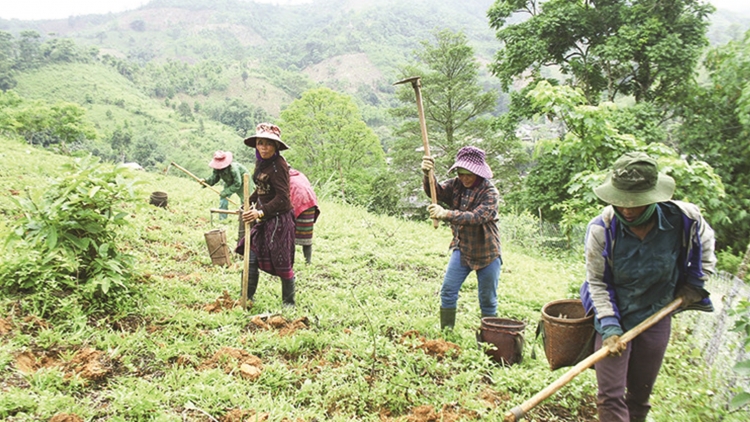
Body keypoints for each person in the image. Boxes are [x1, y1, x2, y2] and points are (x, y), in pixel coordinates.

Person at [579, 151, 716, 422]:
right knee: (610, 393)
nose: (628, 209)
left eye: (637, 203)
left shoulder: (685, 220)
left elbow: (706, 252)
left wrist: (695, 285)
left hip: (658, 311)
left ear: (654, 197)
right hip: (613, 311)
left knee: (640, 394)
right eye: (621, 202)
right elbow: (597, 282)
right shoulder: (601, 229)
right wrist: (609, 326)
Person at [421, 146, 503, 330]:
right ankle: (447, 334)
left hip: (488, 253)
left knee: (488, 300)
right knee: (448, 291)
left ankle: (488, 339)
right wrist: (428, 175)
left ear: (478, 173)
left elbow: (477, 217)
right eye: (460, 173)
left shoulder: (490, 193)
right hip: (463, 249)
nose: (464, 178)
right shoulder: (456, 184)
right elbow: (437, 192)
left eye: (469, 174)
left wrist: (446, 214)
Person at [235, 123, 296, 307]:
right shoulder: (261, 162)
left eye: (269, 144)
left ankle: (289, 304)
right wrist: (248, 203)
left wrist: (259, 212)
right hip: (262, 218)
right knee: (251, 256)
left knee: (282, 261)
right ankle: (246, 297)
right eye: (260, 143)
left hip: (279, 221)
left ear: (276, 146)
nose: (264, 147)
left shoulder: (279, 166)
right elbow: (261, 189)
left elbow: (283, 199)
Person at [201, 150, 251, 220]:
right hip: (229, 182)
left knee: (246, 200)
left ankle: (244, 219)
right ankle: (222, 219)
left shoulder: (233, 169)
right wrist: (205, 181)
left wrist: (226, 192)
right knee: (223, 198)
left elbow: (237, 184)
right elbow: (214, 178)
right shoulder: (217, 169)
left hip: (243, 182)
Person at [289, 168, 320, 265]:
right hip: (310, 202)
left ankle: (291, 262)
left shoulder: (285, 177)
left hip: (301, 202)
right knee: (307, 234)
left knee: (289, 235)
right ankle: (308, 262)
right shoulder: (300, 174)